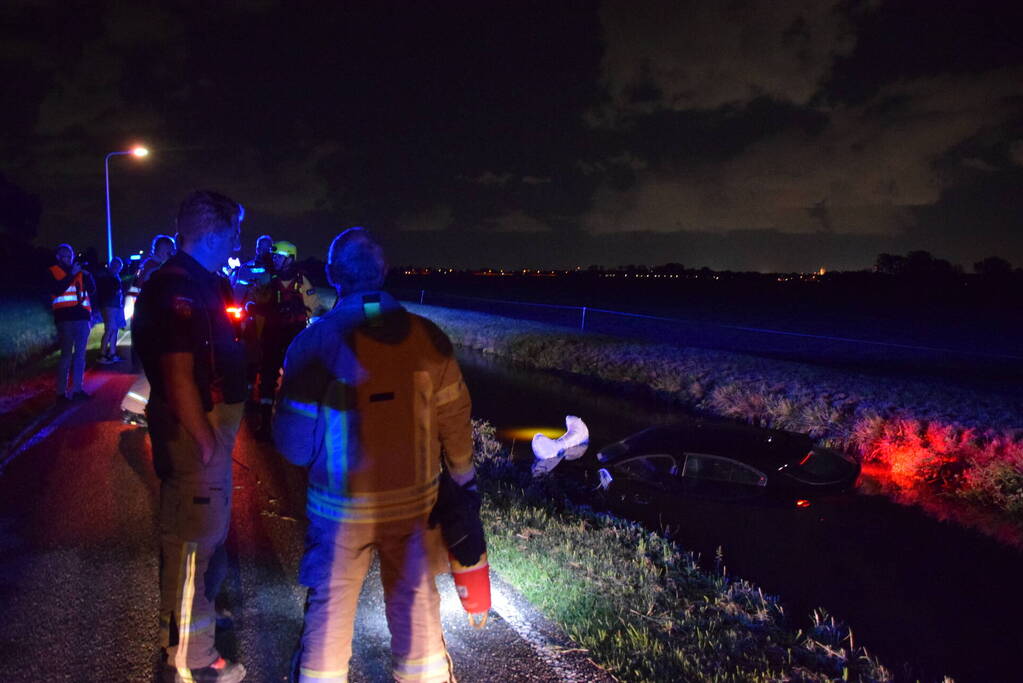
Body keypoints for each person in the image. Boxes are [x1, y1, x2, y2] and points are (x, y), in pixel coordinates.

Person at [273, 227, 475, 683]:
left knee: (330, 610)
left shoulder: (313, 344)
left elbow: (293, 446)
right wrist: (463, 481)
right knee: (416, 605)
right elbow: (456, 425)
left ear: (331, 275)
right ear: (384, 273)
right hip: (415, 508)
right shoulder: (429, 338)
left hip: (338, 511)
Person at [132, 191, 248, 683]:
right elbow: (179, 372)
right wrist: (206, 442)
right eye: (236, 232)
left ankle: (179, 628)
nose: (239, 241)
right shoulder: (180, 288)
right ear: (218, 232)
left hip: (199, 430)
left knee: (190, 539)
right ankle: (193, 661)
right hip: (195, 434)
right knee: (193, 547)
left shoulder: (194, 281)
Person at [249, 240, 321, 440]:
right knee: (267, 377)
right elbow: (255, 298)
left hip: (294, 335)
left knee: (293, 378)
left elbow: (314, 308)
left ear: (290, 258)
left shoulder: (301, 281)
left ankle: (289, 423)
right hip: (272, 334)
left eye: (279, 256)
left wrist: (310, 330)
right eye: (275, 256)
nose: (275, 259)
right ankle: (265, 424)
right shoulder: (267, 279)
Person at [48, 243, 96, 403]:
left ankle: (77, 389)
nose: (68, 259)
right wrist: (72, 274)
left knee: (80, 356)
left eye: (70, 256)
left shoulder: (80, 272)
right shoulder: (53, 271)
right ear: (58, 257)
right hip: (65, 320)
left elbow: (92, 289)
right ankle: (61, 394)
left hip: (82, 317)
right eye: (64, 256)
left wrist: (88, 275)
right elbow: (57, 289)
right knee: (66, 356)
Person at [95, 256, 126, 364]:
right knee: (109, 329)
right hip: (108, 306)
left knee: (114, 330)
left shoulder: (116, 277)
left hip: (115, 306)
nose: (117, 268)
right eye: (115, 265)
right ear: (111, 265)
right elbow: (108, 291)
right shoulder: (106, 277)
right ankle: (102, 355)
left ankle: (112, 354)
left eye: (119, 266)